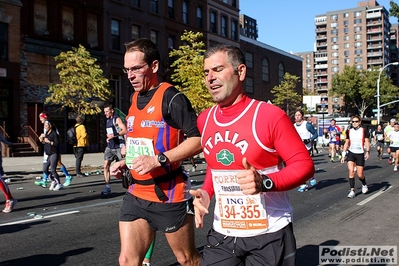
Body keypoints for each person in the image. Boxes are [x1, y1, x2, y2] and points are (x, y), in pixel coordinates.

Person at [190, 44, 314, 265]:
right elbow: (215, 164)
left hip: (268, 232)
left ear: (241, 72)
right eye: (206, 72)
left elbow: (304, 165)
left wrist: (265, 182)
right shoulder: (204, 119)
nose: (210, 78)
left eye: (217, 69)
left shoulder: (269, 116)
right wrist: (207, 192)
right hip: (223, 232)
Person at [109, 38, 202, 266]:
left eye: (136, 68)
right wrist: (127, 161)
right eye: (127, 69)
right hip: (136, 193)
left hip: (167, 194)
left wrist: (159, 160)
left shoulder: (172, 97)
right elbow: (139, 138)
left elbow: (199, 140)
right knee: (128, 260)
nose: (130, 75)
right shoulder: (133, 98)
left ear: (154, 66)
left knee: (186, 259)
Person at [35, 112, 72, 187]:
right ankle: (45, 180)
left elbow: (53, 136)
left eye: (41, 118)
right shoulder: (46, 125)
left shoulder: (51, 125)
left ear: (45, 117)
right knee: (45, 163)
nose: (40, 119)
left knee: (58, 163)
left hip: (54, 147)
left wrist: (44, 137)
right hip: (48, 148)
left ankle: (68, 176)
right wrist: (42, 138)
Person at [340, 116, 370, 198]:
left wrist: (367, 152)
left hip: (360, 153)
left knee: (360, 174)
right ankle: (352, 190)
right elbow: (347, 142)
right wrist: (343, 155)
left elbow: (367, 142)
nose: (354, 123)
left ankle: (364, 184)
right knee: (351, 171)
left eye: (356, 121)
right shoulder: (349, 130)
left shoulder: (364, 130)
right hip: (351, 153)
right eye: (353, 122)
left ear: (360, 122)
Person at [101, 103, 127, 196]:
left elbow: (124, 130)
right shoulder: (107, 120)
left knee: (124, 167)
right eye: (104, 112)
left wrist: (115, 135)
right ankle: (107, 187)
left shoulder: (116, 119)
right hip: (110, 146)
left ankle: (128, 185)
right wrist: (109, 138)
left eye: (107, 111)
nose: (105, 113)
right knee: (105, 166)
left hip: (119, 146)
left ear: (112, 111)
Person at [295, 111, 318, 192]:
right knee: (298, 167)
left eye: (299, 115)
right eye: (296, 115)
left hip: (306, 148)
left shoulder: (307, 125)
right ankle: (303, 184)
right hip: (297, 149)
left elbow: (315, 134)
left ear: (302, 116)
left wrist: (309, 140)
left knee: (305, 165)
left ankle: (311, 176)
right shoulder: (293, 126)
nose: (297, 117)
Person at [40, 121, 63, 191]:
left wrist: (49, 142)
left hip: (54, 153)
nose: (45, 127)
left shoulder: (54, 134)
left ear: (50, 126)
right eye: (44, 126)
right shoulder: (46, 133)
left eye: (46, 126)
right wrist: (42, 140)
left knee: (53, 170)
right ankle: (53, 181)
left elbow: (56, 143)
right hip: (47, 153)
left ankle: (59, 184)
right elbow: (45, 142)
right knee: (45, 169)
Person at [71, 116, 89, 184]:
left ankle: (78, 171)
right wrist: (88, 135)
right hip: (81, 144)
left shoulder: (75, 126)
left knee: (77, 158)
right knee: (79, 158)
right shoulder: (82, 127)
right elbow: (84, 135)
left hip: (75, 144)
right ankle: (78, 172)